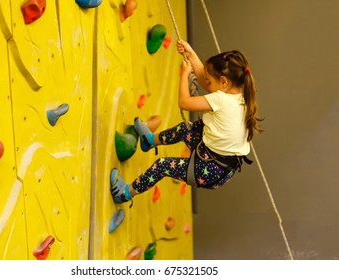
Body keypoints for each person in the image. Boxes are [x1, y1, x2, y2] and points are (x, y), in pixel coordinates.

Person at [110, 39, 263, 204]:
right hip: (218, 163)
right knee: (185, 128)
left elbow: (184, 102)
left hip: (209, 168)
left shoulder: (221, 100)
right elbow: (206, 79)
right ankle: (149, 141)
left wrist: (184, 75)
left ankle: (124, 193)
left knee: (162, 165)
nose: (206, 84)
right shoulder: (241, 96)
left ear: (224, 82)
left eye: (210, 82)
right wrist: (190, 52)